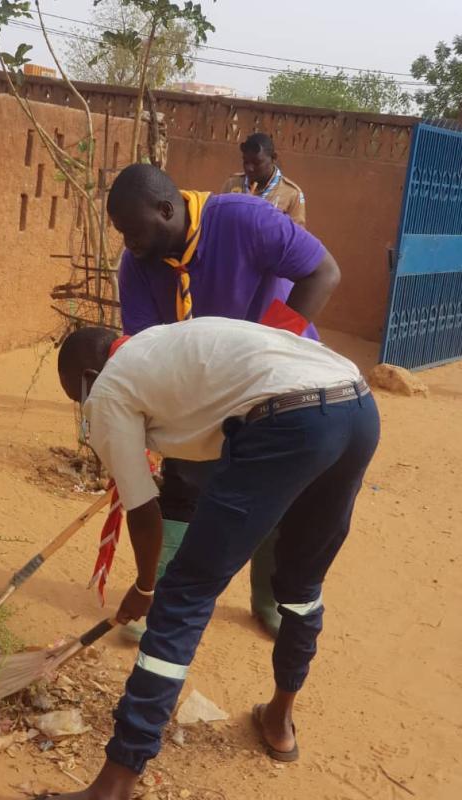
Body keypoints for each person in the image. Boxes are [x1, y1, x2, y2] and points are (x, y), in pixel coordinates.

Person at [46, 317, 380, 800]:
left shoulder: (109, 389)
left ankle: (115, 782)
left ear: (88, 377)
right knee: (301, 587)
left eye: (77, 397)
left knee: (182, 596)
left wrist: (145, 588)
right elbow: (212, 457)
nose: (83, 410)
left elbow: (144, 514)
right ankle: (279, 721)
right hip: (358, 405)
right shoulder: (162, 345)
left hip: (286, 420)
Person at [109, 163, 340, 640]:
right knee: (182, 482)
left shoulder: (245, 219)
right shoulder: (139, 265)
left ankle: (269, 598)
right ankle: (162, 596)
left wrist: (267, 350)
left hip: (277, 381)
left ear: (166, 210)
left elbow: (323, 272)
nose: (128, 242)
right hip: (201, 389)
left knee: (279, 492)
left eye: (133, 230)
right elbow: (147, 346)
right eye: (121, 233)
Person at [222, 132, 306, 227]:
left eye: (257, 163)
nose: (250, 168)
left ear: (273, 158)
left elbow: (295, 238)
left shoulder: (291, 194)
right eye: (246, 162)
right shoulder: (232, 184)